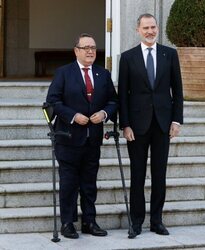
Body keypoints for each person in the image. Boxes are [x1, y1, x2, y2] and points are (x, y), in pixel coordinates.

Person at [46, 33, 118, 239]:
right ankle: (67, 223)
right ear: (76, 50)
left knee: (89, 183)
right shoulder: (63, 73)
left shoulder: (103, 74)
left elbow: (113, 102)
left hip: (93, 139)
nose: (90, 51)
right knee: (69, 182)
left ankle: (89, 221)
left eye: (93, 48)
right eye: (85, 47)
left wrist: (104, 114)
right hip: (68, 138)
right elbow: (53, 101)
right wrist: (73, 115)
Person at [118, 13, 183, 236]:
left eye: (153, 27)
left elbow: (178, 91)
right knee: (137, 175)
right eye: (145, 28)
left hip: (163, 124)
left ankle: (157, 221)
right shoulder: (127, 57)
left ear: (158, 29)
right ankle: (136, 222)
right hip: (136, 126)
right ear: (138, 30)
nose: (150, 31)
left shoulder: (170, 54)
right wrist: (124, 124)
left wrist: (176, 120)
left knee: (159, 175)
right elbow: (123, 95)